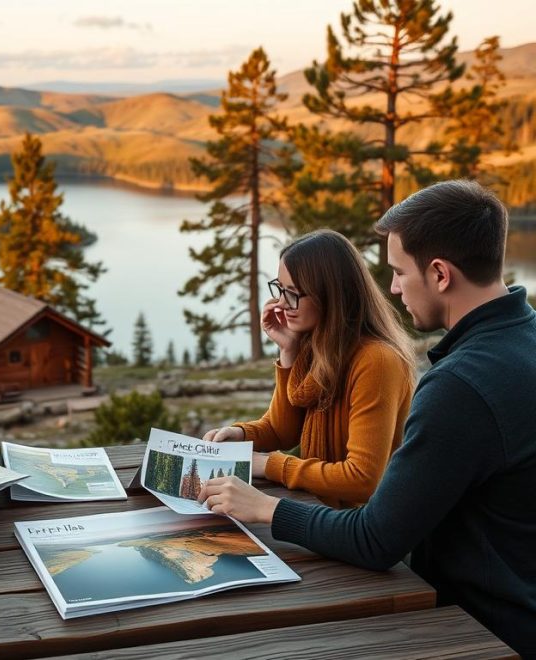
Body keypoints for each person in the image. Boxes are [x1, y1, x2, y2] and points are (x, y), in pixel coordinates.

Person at [197, 180, 536, 657]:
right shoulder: (523, 341)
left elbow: (374, 538)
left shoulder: (461, 384)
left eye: (399, 272)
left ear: (440, 274)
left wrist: (265, 505)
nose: (394, 287)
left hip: (476, 628)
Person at [203, 229, 415, 507]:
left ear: (329, 295)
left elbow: (362, 479)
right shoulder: (317, 346)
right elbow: (283, 431)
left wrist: (268, 465)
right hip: (318, 514)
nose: (280, 303)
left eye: (292, 294)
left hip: (359, 529)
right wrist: (241, 434)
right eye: (280, 289)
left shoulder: (376, 360)